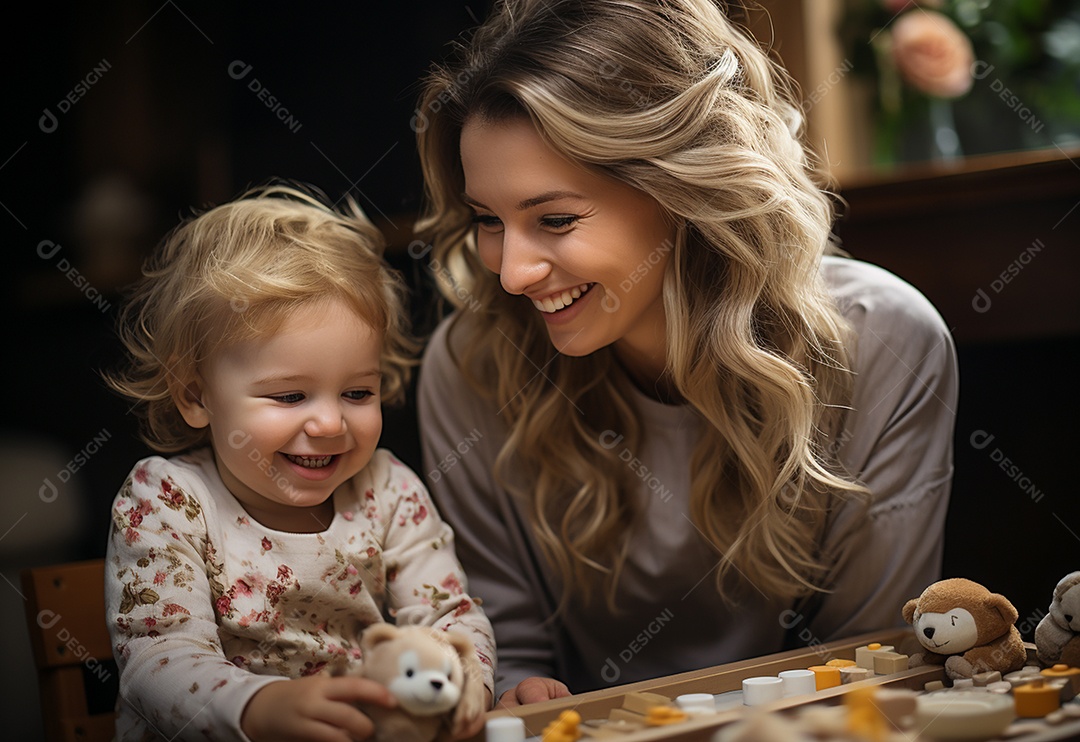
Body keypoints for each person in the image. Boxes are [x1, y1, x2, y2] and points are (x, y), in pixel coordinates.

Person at [412, 0, 959, 708]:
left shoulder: (887, 342)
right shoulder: (468, 364)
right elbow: (503, 654)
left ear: (684, 190)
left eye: (555, 220)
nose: (512, 273)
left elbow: (874, 661)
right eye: (489, 220)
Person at [103, 183, 495, 740]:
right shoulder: (166, 499)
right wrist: (259, 708)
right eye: (290, 397)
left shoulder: (386, 487)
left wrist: (464, 686)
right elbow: (158, 658)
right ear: (195, 396)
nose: (331, 424)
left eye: (358, 393)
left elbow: (448, 617)